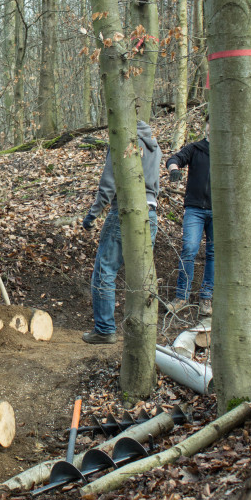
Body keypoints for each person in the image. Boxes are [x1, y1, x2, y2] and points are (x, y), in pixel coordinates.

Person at [81, 121, 162, 344]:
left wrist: (92, 215)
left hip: (124, 211)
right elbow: (155, 185)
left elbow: (109, 183)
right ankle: (143, 330)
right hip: (150, 213)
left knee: (104, 270)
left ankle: (105, 329)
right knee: (142, 275)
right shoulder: (156, 147)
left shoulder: (124, 143)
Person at [166, 116, 213, 316]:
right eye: (210, 123)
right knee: (189, 250)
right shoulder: (195, 149)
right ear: (206, 127)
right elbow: (174, 159)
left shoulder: (227, 151)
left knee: (213, 254)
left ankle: (206, 298)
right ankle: (181, 297)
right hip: (194, 209)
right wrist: (174, 170)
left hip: (219, 211)